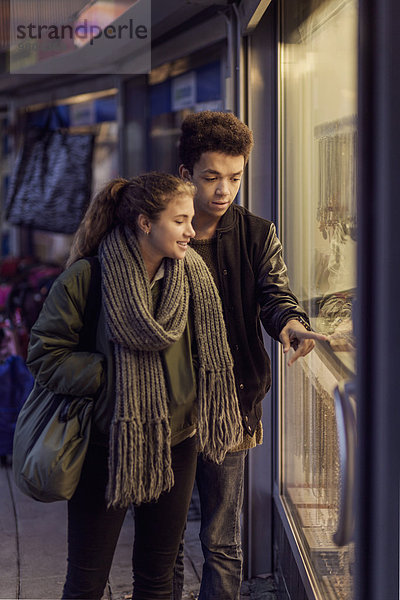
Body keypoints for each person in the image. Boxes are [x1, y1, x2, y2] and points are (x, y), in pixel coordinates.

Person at [26, 172, 244, 600]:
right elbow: (45, 354)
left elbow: (208, 353)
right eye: (180, 220)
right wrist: (108, 378)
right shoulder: (87, 279)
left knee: (158, 576)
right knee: (87, 579)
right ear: (146, 223)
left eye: (190, 220)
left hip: (177, 440)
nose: (192, 231)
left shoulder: (192, 276)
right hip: (106, 444)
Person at [173, 111, 327, 600]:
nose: (224, 190)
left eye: (235, 178)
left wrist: (290, 325)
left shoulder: (258, 233)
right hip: (167, 402)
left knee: (221, 537)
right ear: (186, 175)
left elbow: (274, 293)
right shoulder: (159, 231)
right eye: (211, 177)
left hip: (232, 400)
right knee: (165, 539)